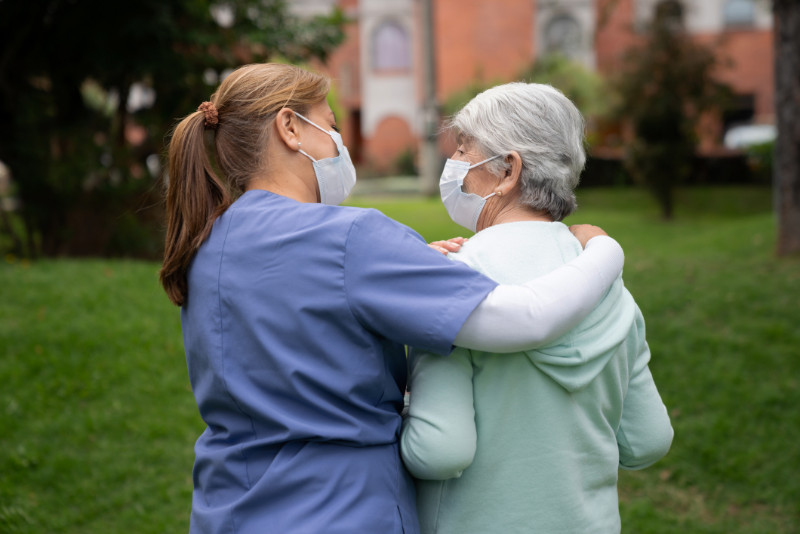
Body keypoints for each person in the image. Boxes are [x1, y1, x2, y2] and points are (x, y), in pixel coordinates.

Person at [159, 63, 626, 534]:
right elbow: (527, 319)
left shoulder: (206, 243)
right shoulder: (352, 239)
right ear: (290, 127)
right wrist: (604, 251)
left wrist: (398, 269)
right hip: (341, 512)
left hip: (227, 510)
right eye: (333, 126)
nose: (339, 143)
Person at [401, 82, 674, 534]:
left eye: (464, 151)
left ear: (508, 170)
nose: (454, 167)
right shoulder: (604, 280)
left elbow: (440, 451)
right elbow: (648, 441)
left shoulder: (452, 280)